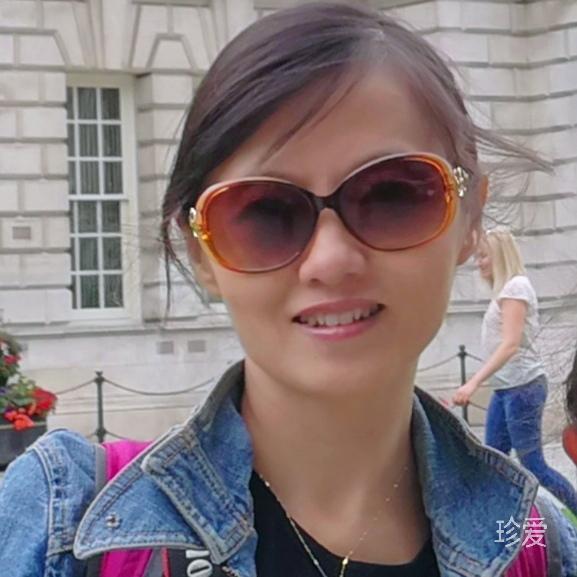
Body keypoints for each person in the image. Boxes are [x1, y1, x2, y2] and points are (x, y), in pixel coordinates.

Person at [1, 3, 577, 576]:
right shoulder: (63, 522)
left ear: (469, 216)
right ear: (201, 251)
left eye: (393, 195)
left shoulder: (536, 545)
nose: (330, 261)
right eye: (264, 212)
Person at [453, 229, 577, 515]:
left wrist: (473, 383)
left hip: (524, 387)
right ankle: (502, 523)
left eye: (483, 256)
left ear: (500, 255)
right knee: (494, 461)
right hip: (506, 388)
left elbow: (510, 344)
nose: (479, 262)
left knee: (533, 464)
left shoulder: (515, 288)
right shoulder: (504, 290)